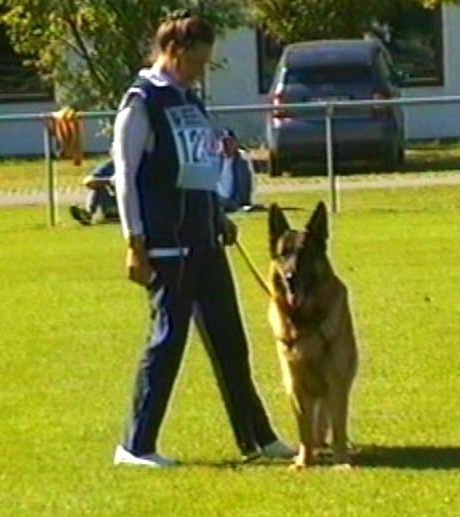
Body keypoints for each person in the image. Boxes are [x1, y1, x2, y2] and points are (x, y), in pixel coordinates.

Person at [111, 10, 293, 468]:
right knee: (167, 342)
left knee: (231, 342)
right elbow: (125, 176)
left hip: (205, 238)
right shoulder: (141, 101)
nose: (201, 70)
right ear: (174, 51)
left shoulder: (191, 100)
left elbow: (199, 166)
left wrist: (218, 203)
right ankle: (136, 446)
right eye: (197, 60)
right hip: (166, 245)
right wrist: (134, 241)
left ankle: (257, 438)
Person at [216, 128, 260, 212]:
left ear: (235, 143)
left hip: (235, 200)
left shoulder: (243, 160)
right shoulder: (214, 160)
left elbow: (250, 182)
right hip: (218, 199)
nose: (226, 145)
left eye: (229, 142)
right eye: (224, 142)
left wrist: (247, 201)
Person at [69, 159, 119, 225]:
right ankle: (88, 214)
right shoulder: (110, 165)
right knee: (97, 184)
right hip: (113, 201)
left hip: (131, 203)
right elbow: (88, 180)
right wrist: (110, 181)